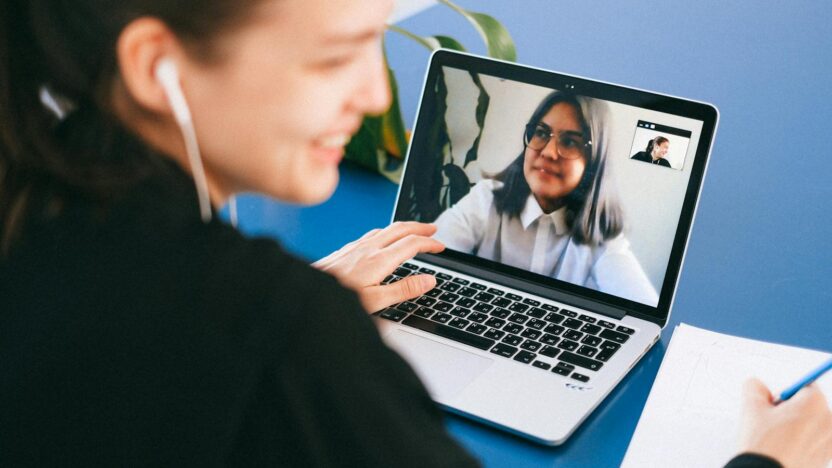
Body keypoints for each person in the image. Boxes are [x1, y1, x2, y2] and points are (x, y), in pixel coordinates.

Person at [0, 1, 828, 467]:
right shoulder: (288, 338)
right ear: (157, 67)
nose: (372, 94)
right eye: (335, 56)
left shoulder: (34, 203)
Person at [433, 91, 659, 305]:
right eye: (541, 133)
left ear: (594, 161)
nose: (548, 152)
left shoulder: (603, 238)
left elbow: (642, 310)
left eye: (569, 141)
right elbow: (428, 257)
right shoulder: (486, 199)